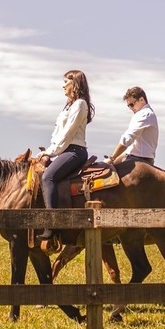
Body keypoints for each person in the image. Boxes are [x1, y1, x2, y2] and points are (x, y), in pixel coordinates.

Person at [37, 70, 93, 241]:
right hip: (64, 149)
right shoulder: (69, 105)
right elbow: (58, 133)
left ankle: (52, 225)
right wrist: (48, 150)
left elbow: (68, 133)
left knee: (48, 177)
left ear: (74, 84)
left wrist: (51, 152)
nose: (63, 86)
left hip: (74, 151)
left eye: (66, 82)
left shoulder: (80, 104)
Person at [109, 86, 159, 165]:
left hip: (139, 160)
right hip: (136, 158)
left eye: (132, 104)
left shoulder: (145, 114)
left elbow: (127, 139)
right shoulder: (143, 114)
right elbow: (131, 147)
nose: (130, 108)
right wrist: (113, 161)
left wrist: (111, 158)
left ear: (141, 100)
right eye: (128, 106)